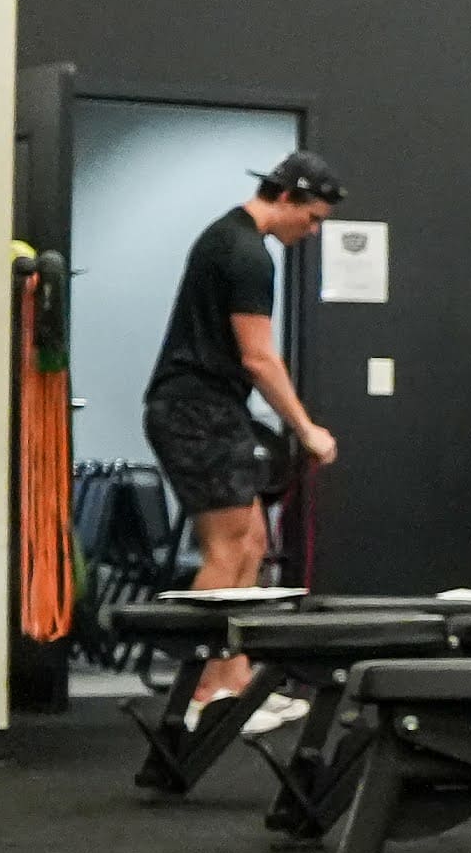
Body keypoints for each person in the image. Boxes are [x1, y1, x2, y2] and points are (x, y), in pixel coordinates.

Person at [141, 147, 347, 731]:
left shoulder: (232, 240)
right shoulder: (246, 253)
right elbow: (258, 358)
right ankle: (203, 697)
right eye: (310, 220)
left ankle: (236, 681)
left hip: (211, 410)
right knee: (226, 551)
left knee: (252, 540)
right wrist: (306, 429)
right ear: (285, 198)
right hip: (194, 411)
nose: (310, 233)